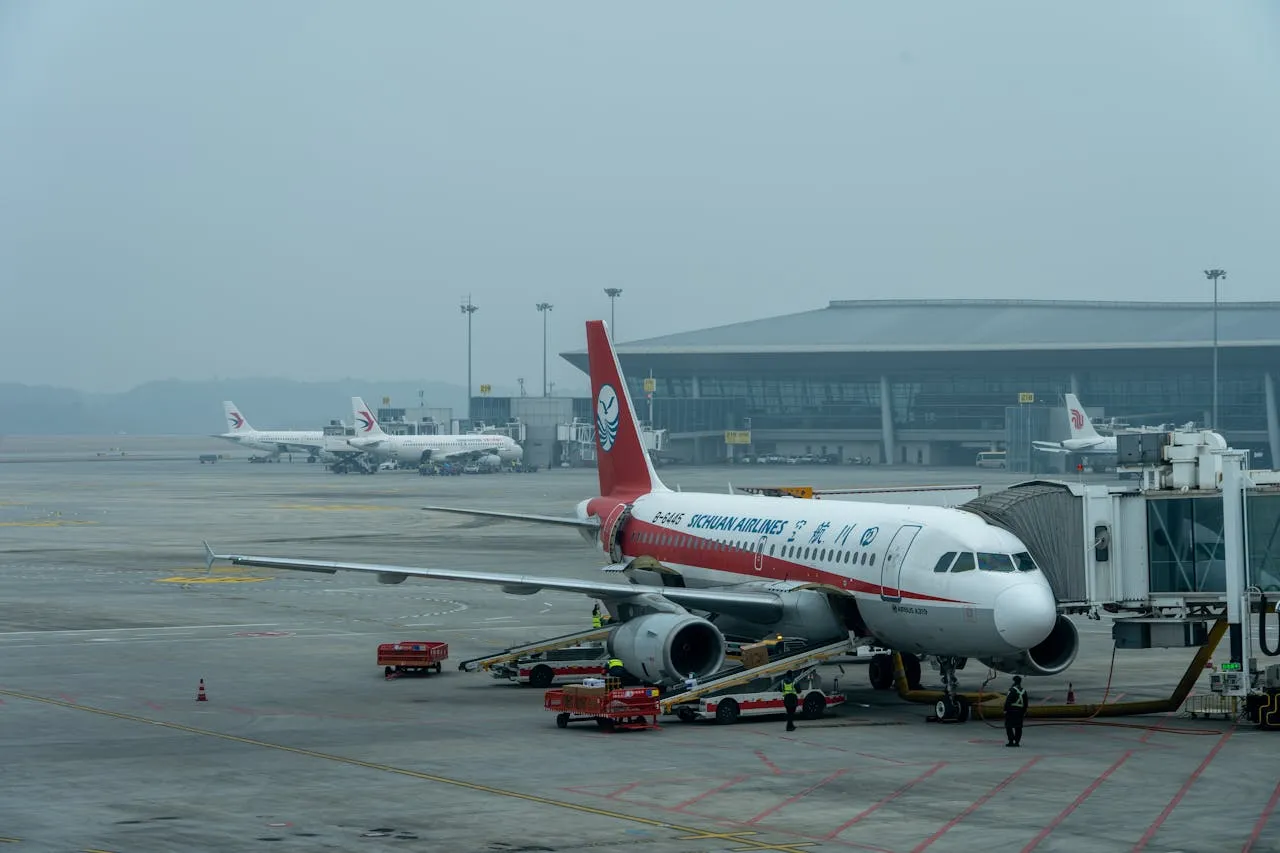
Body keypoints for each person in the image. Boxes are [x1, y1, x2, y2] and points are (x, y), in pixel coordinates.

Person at [1004, 675, 1028, 747]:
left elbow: (1008, 700)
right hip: (1020, 711)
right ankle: (1017, 742)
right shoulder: (1024, 691)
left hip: (1011, 710)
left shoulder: (1012, 690)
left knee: (1008, 726)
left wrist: (1005, 710)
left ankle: (1011, 741)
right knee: (1018, 727)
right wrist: (1024, 711)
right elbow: (1026, 702)